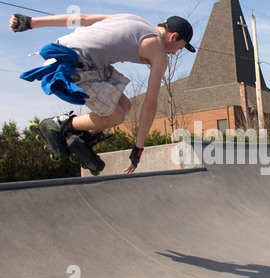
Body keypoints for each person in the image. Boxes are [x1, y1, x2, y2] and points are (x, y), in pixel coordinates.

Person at [10, 13, 195, 173]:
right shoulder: (158, 51)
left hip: (71, 54)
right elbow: (150, 104)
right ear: (173, 37)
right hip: (73, 66)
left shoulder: (134, 20)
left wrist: (31, 22)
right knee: (116, 117)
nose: (174, 53)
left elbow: (82, 19)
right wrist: (138, 148)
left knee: (125, 106)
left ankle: (82, 141)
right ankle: (60, 125)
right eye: (178, 48)